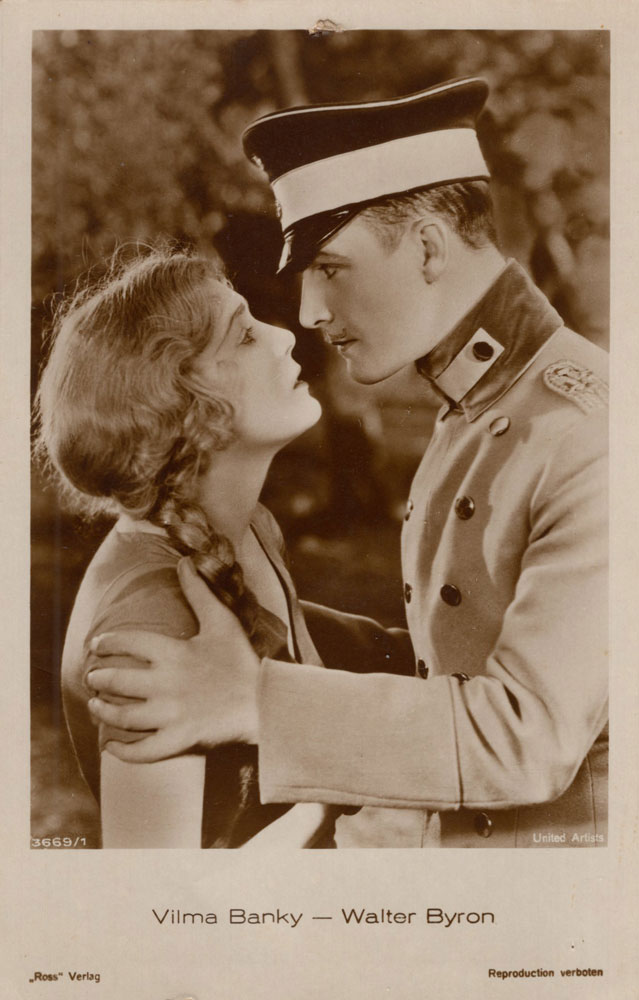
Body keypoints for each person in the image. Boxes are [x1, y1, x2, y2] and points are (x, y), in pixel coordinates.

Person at [86, 78, 608, 848]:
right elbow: (457, 647)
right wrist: (260, 615)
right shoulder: (482, 399)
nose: (308, 313)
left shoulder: (585, 429)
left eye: (329, 267)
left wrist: (257, 699)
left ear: (428, 247)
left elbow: (524, 740)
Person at [34, 245, 360, 848]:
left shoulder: (249, 527)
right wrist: (341, 814)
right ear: (183, 408)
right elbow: (156, 894)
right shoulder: (148, 623)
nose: (285, 335)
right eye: (245, 336)